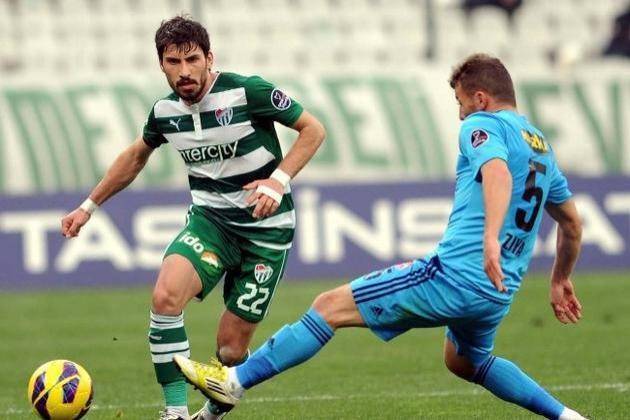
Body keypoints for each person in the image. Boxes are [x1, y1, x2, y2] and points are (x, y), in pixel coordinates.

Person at [174, 54, 587, 419]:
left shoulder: (483, 124)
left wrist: (490, 238)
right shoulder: (541, 147)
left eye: (460, 103)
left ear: (480, 98)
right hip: (498, 290)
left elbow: (496, 172)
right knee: (465, 361)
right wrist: (560, 278)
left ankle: (234, 381)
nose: (461, 115)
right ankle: (566, 416)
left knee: (328, 307)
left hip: (457, 275)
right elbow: (570, 223)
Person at [60, 15, 325, 420]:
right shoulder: (164, 112)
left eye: (192, 60)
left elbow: (313, 130)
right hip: (211, 224)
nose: (184, 71)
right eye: (173, 62)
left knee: (230, 350)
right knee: (165, 297)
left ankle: (213, 412)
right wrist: (87, 207)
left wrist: (278, 180)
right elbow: (135, 156)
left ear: (209, 58)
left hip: (266, 232)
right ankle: (175, 412)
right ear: (161, 65)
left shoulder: (247, 91)